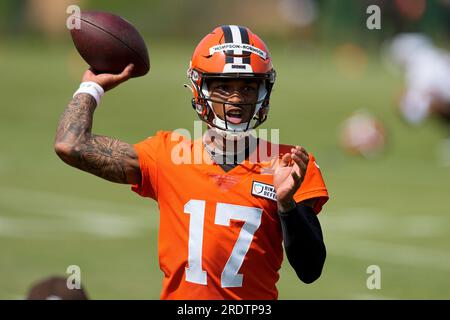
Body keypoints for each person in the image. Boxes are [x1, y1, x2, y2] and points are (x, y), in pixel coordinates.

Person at [54, 25, 329, 300]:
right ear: (199, 88)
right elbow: (71, 145)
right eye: (222, 87)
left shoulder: (288, 164)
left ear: (263, 91)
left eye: (248, 87)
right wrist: (91, 88)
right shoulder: (167, 155)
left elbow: (310, 269)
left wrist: (287, 205)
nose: (236, 99)